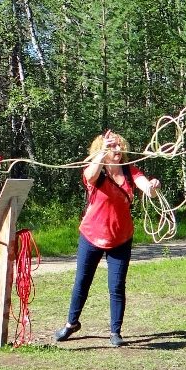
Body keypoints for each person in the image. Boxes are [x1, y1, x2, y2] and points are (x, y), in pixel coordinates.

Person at [54, 129, 161, 347]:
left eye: (119, 145)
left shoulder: (130, 171)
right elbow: (90, 176)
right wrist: (102, 153)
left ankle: (115, 332)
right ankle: (71, 324)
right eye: (112, 146)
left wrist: (153, 187)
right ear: (102, 150)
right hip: (91, 236)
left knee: (117, 286)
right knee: (82, 282)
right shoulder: (97, 171)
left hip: (121, 238)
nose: (117, 149)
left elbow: (147, 189)